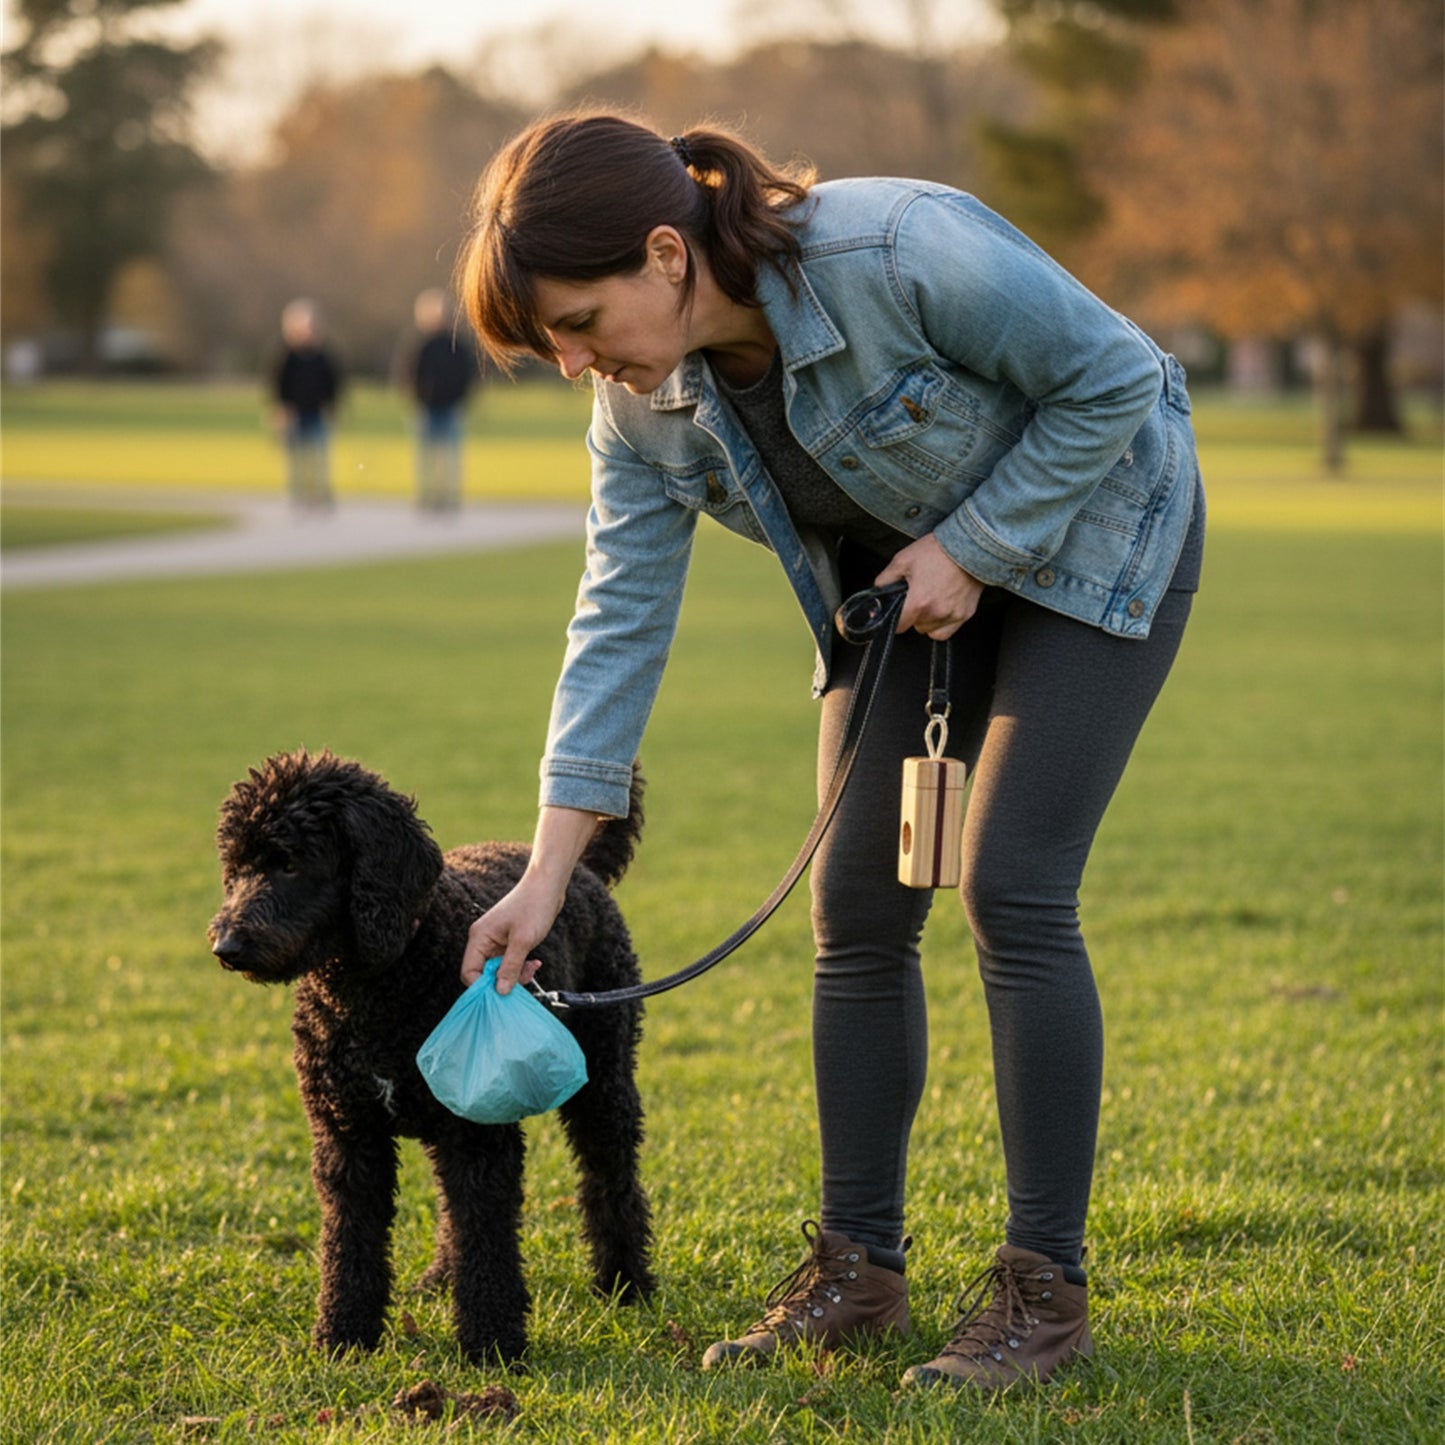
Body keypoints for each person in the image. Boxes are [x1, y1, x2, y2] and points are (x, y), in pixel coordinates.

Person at [455, 112, 1205, 1392]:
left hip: (1096, 530)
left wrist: (975, 548)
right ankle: (857, 1268)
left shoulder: (897, 247)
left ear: (663, 253)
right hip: (903, 583)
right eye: (552, 348)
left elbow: (1114, 374)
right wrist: (543, 876)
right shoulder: (640, 417)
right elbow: (615, 627)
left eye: (578, 323)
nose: (578, 364)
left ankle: (1044, 1290)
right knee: (855, 904)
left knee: (1014, 884)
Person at [407, 287, 479, 511]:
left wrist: (462, 400)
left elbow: (469, 374)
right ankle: (427, 497)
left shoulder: (458, 345)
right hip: (427, 408)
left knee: (450, 459)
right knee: (425, 459)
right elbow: (411, 374)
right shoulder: (422, 345)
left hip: (452, 408)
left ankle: (449, 498)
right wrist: (418, 398)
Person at [272, 298, 342, 509]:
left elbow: (332, 382)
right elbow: (278, 385)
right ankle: (298, 495)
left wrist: (332, 406)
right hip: (295, 414)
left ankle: (320, 494)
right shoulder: (287, 357)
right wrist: (281, 411)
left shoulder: (323, 356)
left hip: (317, 413)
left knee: (319, 457)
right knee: (297, 459)